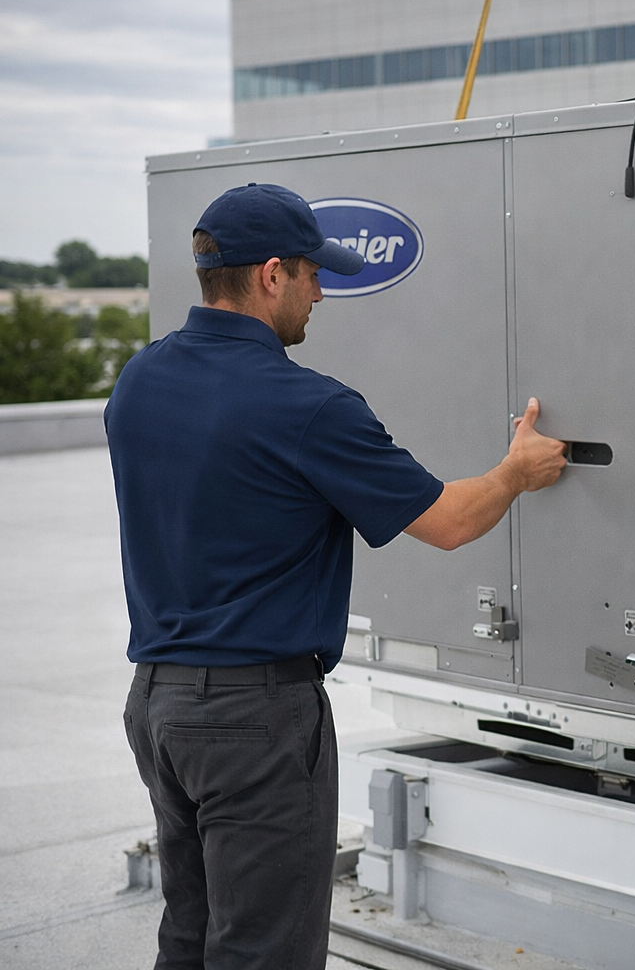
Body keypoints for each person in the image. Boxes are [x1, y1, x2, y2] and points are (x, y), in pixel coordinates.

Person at [105, 182, 568, 969]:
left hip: (158, 706)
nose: (323, 291)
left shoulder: (139, 381)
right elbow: (450, 522)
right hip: (255, 721)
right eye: (315, 272)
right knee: (264, 954)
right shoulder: (307, 406)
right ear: (272, 274)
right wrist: (516, 472)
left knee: (190, 936)